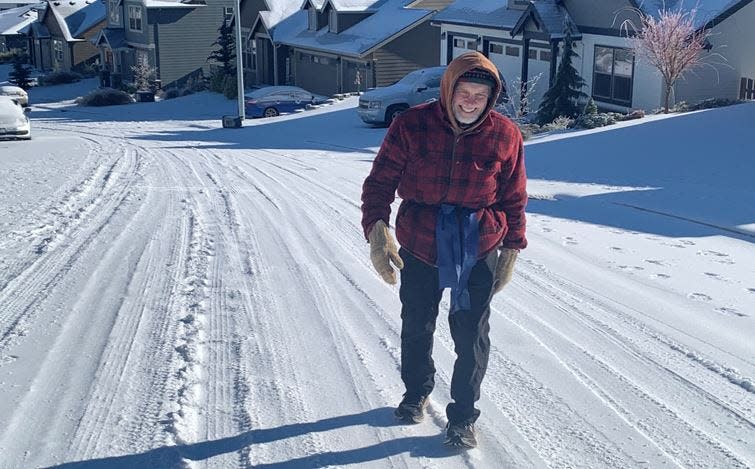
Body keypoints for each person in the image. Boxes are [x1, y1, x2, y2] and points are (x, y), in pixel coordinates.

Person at [360, 51, 527, 449]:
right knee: (417, 323)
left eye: (480, 95)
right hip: (420, 239)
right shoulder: (411, 125)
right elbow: (380, 181)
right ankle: (416, 391)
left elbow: (514, 196)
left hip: (478, 242)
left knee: (471, 335)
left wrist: (512, 248)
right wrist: (377, 230)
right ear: (449, 90)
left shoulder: (505, 135)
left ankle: (464, 416)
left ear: (491, 98)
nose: (470, 101)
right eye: (463, 92)